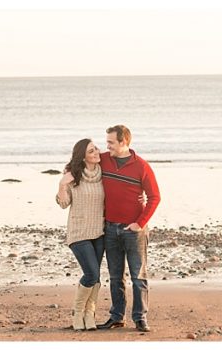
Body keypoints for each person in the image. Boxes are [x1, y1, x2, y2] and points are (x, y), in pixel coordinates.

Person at [97, 125, 161, 333]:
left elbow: (154, 197)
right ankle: (117, 317)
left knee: (138, 276)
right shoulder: (104, 160)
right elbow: (82, 162)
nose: (107, 146)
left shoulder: (141, 166)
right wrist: (68, 172)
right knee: (115, 276)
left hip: (134, 231)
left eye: (111, 143)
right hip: (110, 228)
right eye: (107, 142)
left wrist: (139, 223)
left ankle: (140, 318)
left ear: (124, 142)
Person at [56, 138, 105, 331]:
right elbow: (63, 204)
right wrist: (62, 184)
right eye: (91, 151)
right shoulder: (73, 176)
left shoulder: (104, 173)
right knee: (91, 274)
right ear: (83, 157)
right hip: (78, 233)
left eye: (96, 148)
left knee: (97, 276)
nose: (96, 152)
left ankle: (89, 314)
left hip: (99, 231)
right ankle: (78, 312)